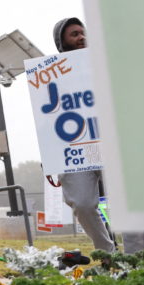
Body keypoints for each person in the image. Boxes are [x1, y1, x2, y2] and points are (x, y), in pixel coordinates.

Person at [49, 17, 115, 253]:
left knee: (129, 202)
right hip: (75, 148)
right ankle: (108, 254)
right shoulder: (49, 75)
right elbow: (47, 119)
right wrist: (50, 160)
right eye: (74, 34)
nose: (81, 37)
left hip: (111, 143)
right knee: (83, 204)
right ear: (62, 41)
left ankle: (137, 256)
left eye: (82, 32)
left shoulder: (106, 63)